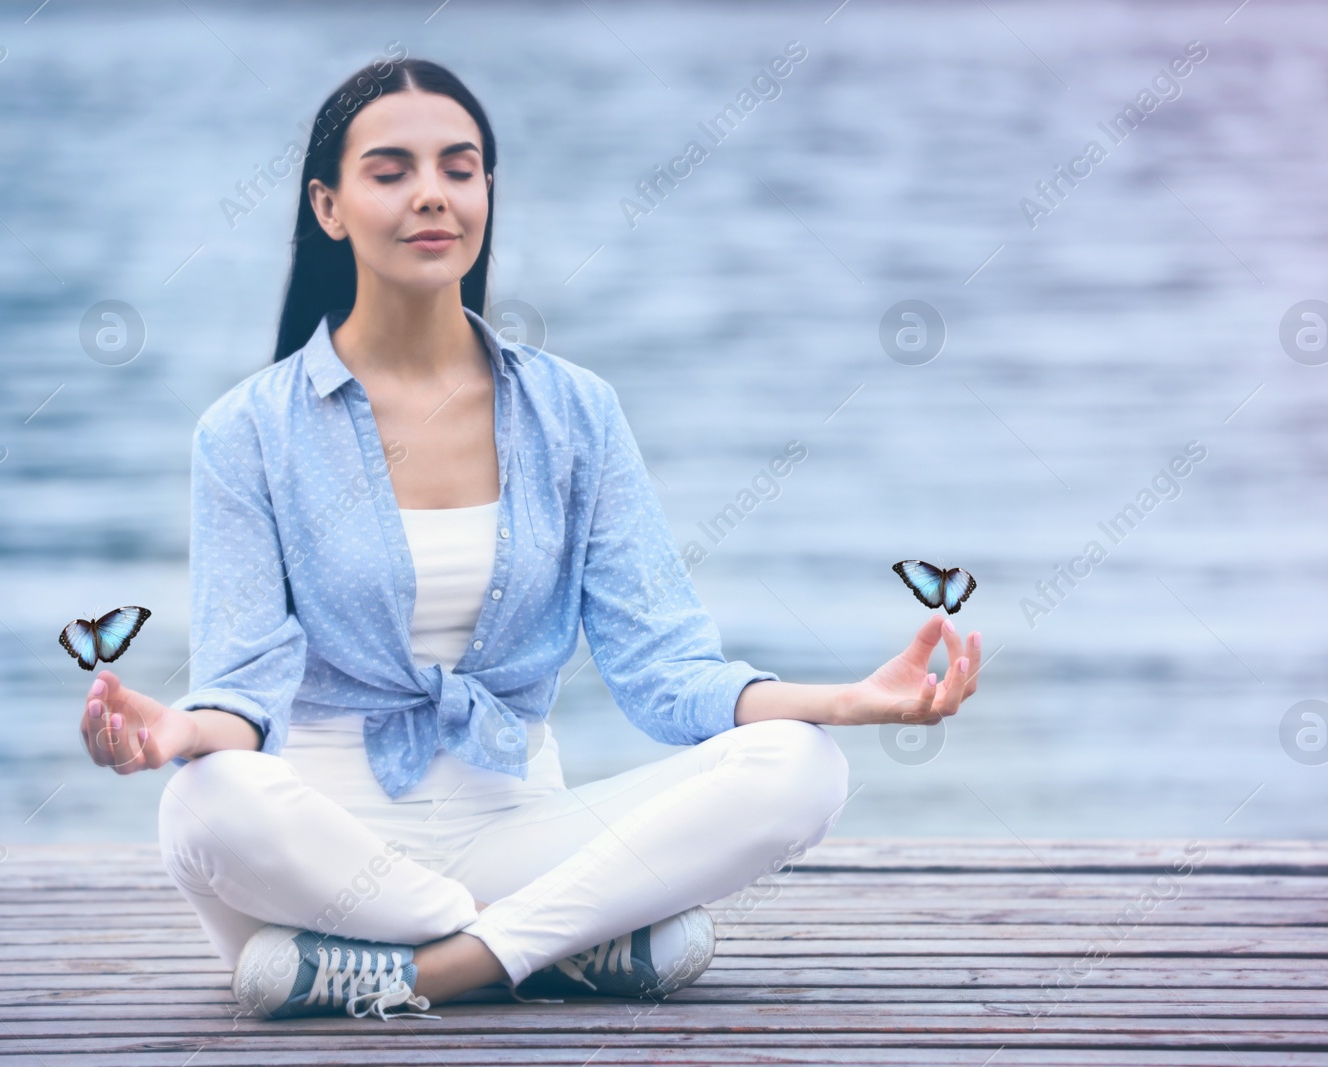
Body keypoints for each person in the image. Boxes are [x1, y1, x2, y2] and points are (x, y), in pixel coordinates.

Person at [78, 57, 982, 1022]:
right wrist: (174, 729)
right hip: (322, 856)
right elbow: (244, 688)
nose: (432, 194)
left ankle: (430, 969)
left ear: (486, 191)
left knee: (803, 765)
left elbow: (666, 672)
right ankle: (561, 941)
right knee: (203, 802)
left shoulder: (574, 412)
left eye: (458, 168)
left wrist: (847, 699)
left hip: (517, 826)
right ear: (329, 206)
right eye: (390, 171)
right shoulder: (247, 431)